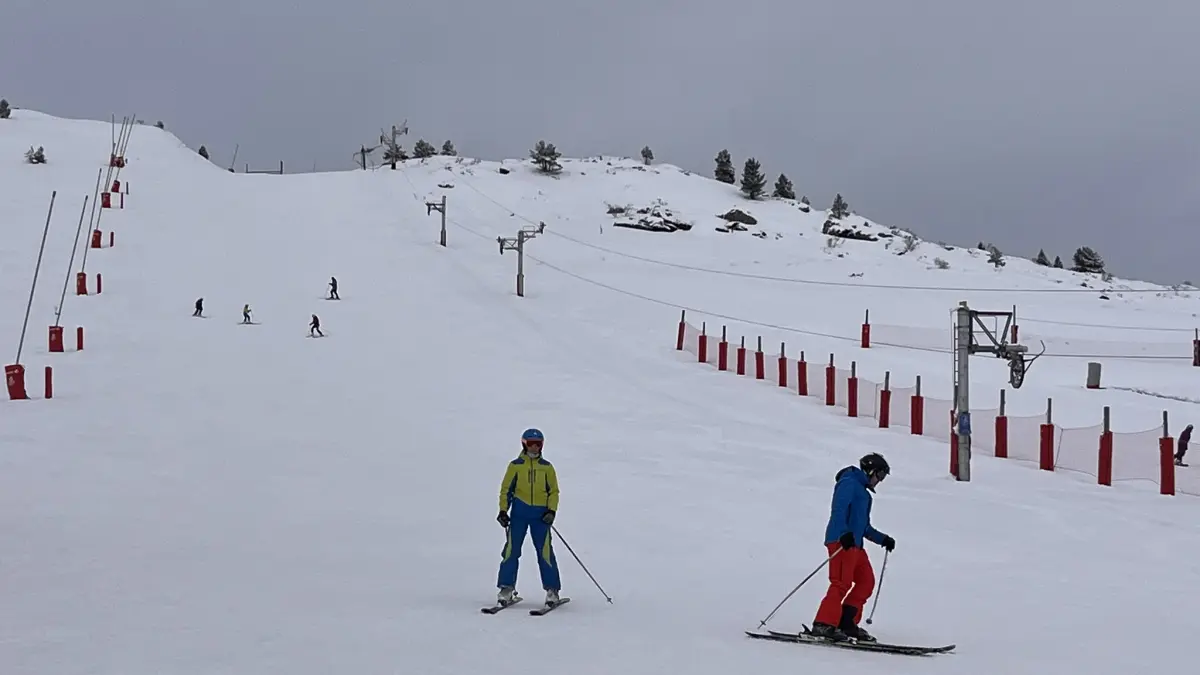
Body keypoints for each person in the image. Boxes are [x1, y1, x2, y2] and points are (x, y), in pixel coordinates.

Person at [811, 453, 896, 643]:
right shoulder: (848, 482)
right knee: (841, 583)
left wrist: (883, 539)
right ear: (870, 470)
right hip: (841, 541)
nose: (880, 481)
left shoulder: (865, 494)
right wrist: (843, 533)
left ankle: (846, 622)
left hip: (855, 544)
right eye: (880, 475)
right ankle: (823, 624)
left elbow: (863, 527)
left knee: (866, 581)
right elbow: (838, 510)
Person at [496, 428, 562, 606]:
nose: (535, 447)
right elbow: (506, 490)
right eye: (531, 444)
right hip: (519, 514)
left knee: (545, 552)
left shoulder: (547, 467)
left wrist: (551, 511)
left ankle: (552, 590)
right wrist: (503, 511)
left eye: (538, 444)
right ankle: (506, 588)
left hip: (540, 516)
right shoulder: (515, 465)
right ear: (524, 444)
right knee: (511, 551)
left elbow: (553, 491)